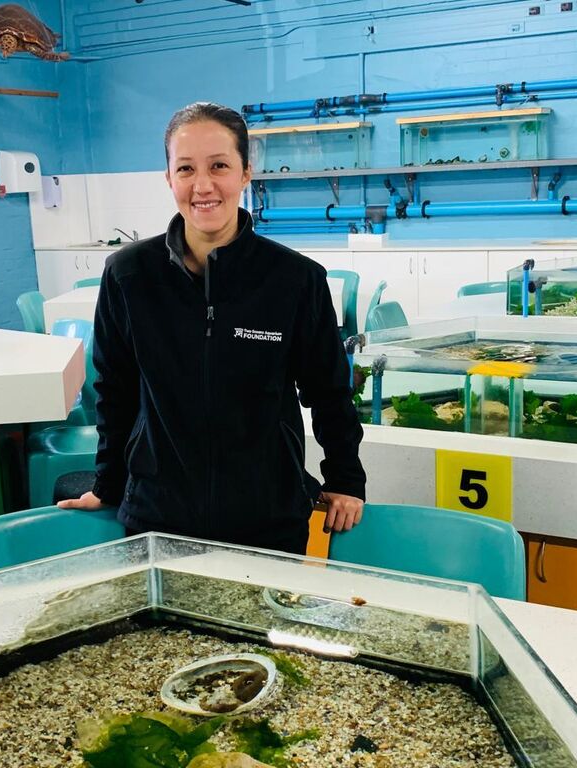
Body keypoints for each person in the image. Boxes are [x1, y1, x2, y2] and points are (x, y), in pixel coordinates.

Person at [58, 102, 365, 554]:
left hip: (269, 518)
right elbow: (115, 390)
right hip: (157, 516)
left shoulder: (295, 279)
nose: (202, 186)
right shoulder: (128, 275)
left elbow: (329, 391)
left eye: (219, 166)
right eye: (185, 169)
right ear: (168, 177)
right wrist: (108, 482)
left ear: (245, 173)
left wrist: (345, 479)